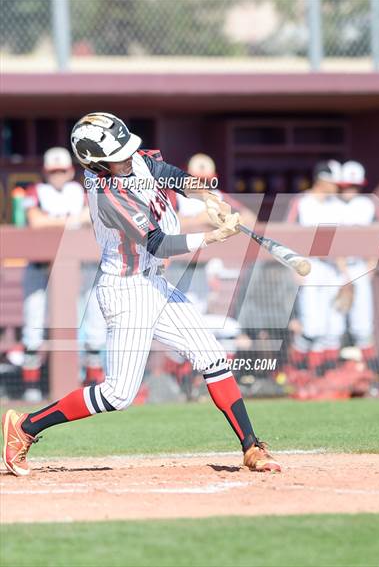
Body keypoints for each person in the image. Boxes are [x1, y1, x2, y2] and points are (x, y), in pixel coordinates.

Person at [2, 112, 281, 476]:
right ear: (96, 162)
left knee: (212, 357)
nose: (128, 156)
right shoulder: (107, 195)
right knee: (118, 394)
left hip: (155, 283)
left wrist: (207, 196)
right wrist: (211, 236)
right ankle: (24, 428)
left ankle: (250, 446)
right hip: (127, 289)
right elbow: (158, 243)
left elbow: (169, 174)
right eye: (118, 154)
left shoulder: (132, 160)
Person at [20, 147, 106, 402]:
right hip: (40, 268)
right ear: (46, 172)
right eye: (53, 171)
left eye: (62, 170)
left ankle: (92, 384)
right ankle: (31, 388)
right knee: (33, 326)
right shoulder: (35, 191)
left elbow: (93, 217)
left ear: (70, 170)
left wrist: (60, 220)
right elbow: (36, 221)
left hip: (74, 270)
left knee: (91, 327)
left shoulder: (78, 191)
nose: (58, 175)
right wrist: (73, 220)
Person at [285, 160, 342, 375]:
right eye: (334, 181)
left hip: (332, 268)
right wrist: (293, 266)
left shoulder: (336, 205)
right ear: (322, 180)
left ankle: (320, 376)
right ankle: (293, 372)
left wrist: (346, 275)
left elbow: (343, 240)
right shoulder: (302, 202)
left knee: (331, 328)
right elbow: (287, 235)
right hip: (308, 265)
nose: (337, 186)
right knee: (311, 327)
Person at [327, 161, 377, 362]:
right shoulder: (331, 205)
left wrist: (371, 265)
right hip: (334, 270)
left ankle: (366, 372)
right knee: (332, 327)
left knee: (362, 325)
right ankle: (326, 371)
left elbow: (374, 236)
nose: (350, 190)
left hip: (359, 267)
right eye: (347, 186)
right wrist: (344, 272)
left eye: (354, 186)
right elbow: (331, 241)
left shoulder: (367, 205)